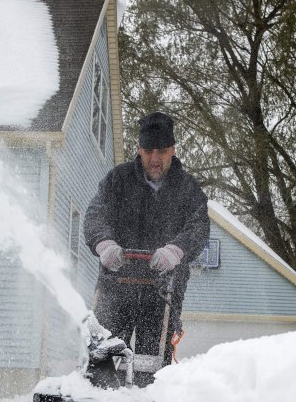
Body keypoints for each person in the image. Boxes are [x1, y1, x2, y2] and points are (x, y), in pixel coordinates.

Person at [83, 112, 210, 378]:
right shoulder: (118, 180)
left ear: (173, 150)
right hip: (116, 287)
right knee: (106, 358)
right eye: (148, 151)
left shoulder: (187, 189)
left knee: (153, 368)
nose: (155, 159)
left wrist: (175, 250)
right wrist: (105, 244)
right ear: (138, 150)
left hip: (163, 292)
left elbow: (198, 227)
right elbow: (95, 214)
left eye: (162, 151)